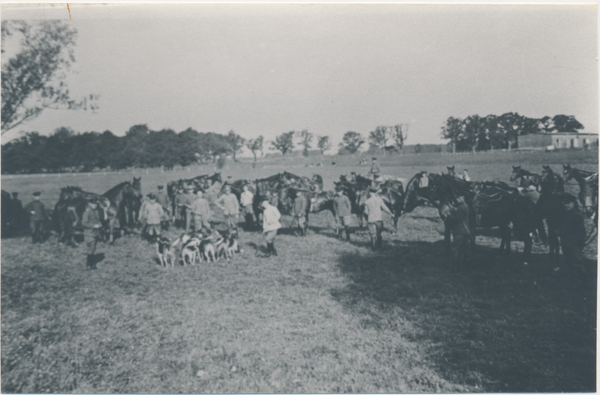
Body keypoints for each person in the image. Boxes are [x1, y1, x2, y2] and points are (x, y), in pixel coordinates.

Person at [559, 194, 586, 270]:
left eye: (568, 203)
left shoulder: (576, 216)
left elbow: (581, 231)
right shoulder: (563, 214)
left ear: (573, 203)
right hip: (565, 242)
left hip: (574, 243)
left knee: (577, 262)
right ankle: (569, 279)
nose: (566, 205)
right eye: (564, 203)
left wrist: (580, 243)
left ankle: (580, 279)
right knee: (568, 261)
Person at [82, 198, 103, 269]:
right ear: (89, 204)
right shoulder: (87, 212)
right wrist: (93, 226)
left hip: (94, 233)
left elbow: (96, 220)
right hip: (89, 233)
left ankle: (90, 264)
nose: (95, 205)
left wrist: (99, 224)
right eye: (93, 204)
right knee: (91, 248)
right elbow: (84, 223)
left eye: (96, 204)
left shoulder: (95, 211)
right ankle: (89, 265)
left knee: (92, 248)